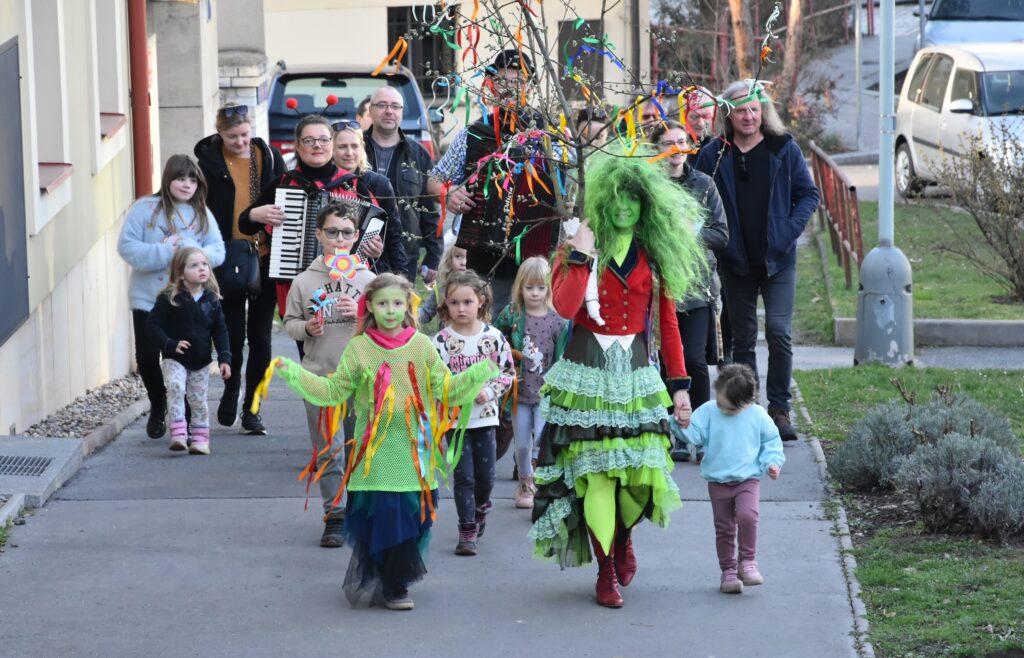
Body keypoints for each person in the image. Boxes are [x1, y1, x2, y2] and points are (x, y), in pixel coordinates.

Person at [529, 151, 708, 608]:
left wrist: (680, 386)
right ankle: (605, 569)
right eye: (616, 198)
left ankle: (623, 535)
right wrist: (582, 252)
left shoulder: (657, 253)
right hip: (585, 371)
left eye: (633, 198)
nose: (624, 206)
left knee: (640, 479)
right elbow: (565, 308)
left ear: (645, 204)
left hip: (635, 374)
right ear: (602, 203)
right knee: (596, 478)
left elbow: (668, 324)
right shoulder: (574, 250)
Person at [273, 273, 498, 610]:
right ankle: (395, 585)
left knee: (412, 521)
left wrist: (478, 373)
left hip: (414, 453)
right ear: (370, 307)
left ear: (407, 306)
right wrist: (296, 375)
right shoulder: (359, 348)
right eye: (382, 304)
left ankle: (396, 577)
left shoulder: (422, 346)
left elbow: (447, 390)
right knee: (384, 518)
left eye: (397, 303)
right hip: (374, 455)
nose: (390, 311)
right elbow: (333, 391)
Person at [695, 82, 821, 442]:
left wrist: (787, 232)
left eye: (754, 109)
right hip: (736, 262)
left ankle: (779, 409)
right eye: (740, 110)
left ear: (763, 111)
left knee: (779, 332)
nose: (748, 116)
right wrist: (713, 237)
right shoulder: (715, 153)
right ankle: (749, 410)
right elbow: (693, 194)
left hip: (778, 260)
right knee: (744, 338)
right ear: (728, 114)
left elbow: (808, 194)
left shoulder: (783, 147)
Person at [239, 114, 385, 379]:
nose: (317, 145)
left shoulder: (354, 184)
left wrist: (373, 247)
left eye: (323, 140)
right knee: (311, 359)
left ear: (331, 143)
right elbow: (245, 224)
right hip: (301, 285)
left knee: (351, 354)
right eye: (309, 140)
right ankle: (318, 403)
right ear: (297, 145)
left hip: (346, 287)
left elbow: (375, 229)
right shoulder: (284, 183)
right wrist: (254, 215)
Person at [431, 50, 564, 312]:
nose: (509, 88)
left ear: (530, 87)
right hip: (484, 261)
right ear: (492, 85)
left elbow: (570, 190)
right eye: (502, 81)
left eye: (518, 82)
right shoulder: (474, 134)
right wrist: (449, 194)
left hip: (539, 266)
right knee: (486, 326)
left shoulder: (551, 136)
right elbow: (435, 179)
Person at [282, 201, 375, 548]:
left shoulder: (369, 280)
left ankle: (361, 509)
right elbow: (289, 323)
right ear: (319, 235)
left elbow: (389, 326)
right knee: (329, 451)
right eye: (332, 232)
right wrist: (306, 327)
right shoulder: (304, 281)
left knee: (358, 447)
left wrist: (362, 316)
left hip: (361, 380)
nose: (339, 239)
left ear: (356, 236)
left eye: (347, 233)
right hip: (320, 377)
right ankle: (334, 513)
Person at [117, 154, 225, 440]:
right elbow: (127, 247)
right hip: (149, 298)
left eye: (192, 180)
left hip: (185, 301)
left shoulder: (200, 212)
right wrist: (166, 251)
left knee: (182, 356)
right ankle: (158, 402)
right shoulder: (144, 209)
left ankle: (184, 417)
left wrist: (190, 253)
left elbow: (218, 251)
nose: (187, 185)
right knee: (147, 356)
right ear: (167, 179)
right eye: (180, 178)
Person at [194, 102, 287, 434]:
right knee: (232, 333)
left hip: (265, 253)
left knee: (261, 336)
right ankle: (231, 390)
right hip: (226, 256)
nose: (240, 141)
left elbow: (284, 197)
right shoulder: (208, 163)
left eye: (245, 134)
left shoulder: (268, 157)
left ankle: (253, 408)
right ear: (219, 133)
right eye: (233, 136)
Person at [650, 120, 729, 463]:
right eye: (669, 144)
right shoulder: (648, 185)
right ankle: (674, 432)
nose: (677, 150)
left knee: (694, 360)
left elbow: (721, 235)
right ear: (657, 150)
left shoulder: (703, 184)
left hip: (696, 287)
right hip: (657, 286)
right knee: (663, 360)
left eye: (682, 142)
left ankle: (698, 429)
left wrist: (690, 232)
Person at [671, 364, 785, 594]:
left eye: (730, 408)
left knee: (748, 517)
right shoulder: (709, 410)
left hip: (748, 479)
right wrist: (681, 423)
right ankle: (728, 571)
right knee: (724, 528)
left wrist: (772, 462)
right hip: (718, 481)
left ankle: (747, 562)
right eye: (721, 403)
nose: (724, 410)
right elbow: (694, 435)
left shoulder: (757, 415)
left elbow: (771, 441)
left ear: (749, 400)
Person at [433, 271, 515, 555]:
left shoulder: (493, 337)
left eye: (467, 302)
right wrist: (450, 393)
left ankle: (481, 508)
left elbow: (507, 372)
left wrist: (489, 392)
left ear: (480, 301)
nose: (461, 308)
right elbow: (434, 379)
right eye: (454, 302)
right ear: (446, 303)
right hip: (455, 422)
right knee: (464, 476)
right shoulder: (440, 341)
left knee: (486, 477)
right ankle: (466, 529)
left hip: (486, 418)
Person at [493, 256, 570, 510]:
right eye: (529, 287)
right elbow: (495, 337)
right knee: (523, 443)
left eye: (540, 287)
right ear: (520, 287)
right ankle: (524, 479)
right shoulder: (512, 314)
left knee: (540, 440)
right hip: (520, 392)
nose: (535, 293)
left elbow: (561, 356)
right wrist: (507, 362)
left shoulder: (557, 320)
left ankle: (537, 481)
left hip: (545, 393)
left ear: (549, 288)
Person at [145, 247, 231, 454]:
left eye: (204, 264)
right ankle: (178, 434)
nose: (201, 268)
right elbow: (152, 325)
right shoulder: (170, 298)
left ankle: (200, 440)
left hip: (201, 361)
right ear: (181, 273)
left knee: (197, 399)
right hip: (175, 358)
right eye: (194, 265)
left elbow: (220, 330)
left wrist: (224, 358)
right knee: (175, 387)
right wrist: (169, 344)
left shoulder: (211, 299)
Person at [363, 87, 440, 284]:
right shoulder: (355, 149)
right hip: (360, 252)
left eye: (395, 106)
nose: (389, 111)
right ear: (370, 110)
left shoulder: (418, 154)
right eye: (382, 105)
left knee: (399, 303)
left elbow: (428, 207)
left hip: (405, 255)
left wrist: (433, 255)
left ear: (402, 112)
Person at [331, 121, 408, 275]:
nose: (349, 152)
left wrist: (402, 277)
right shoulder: (322, 183)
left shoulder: (379, 184)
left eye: (354, 146)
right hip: (327, 268)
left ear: (362, 148)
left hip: (369, 271)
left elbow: (393, 236)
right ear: (331, 149)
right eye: (342, 147)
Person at [417, 242, 466, 327]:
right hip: (445, 335)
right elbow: (425, 313)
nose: (463, 262)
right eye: (458, 256)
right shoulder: (441, 291)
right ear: (449, 261)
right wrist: (408, 312)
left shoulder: (480, 290)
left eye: (469, 257)